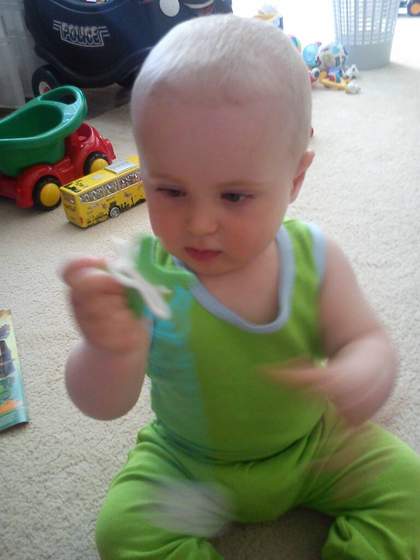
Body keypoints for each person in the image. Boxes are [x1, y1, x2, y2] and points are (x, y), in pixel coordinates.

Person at [62, 14, 420, 560]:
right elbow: (102, 404)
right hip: (190, 466)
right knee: (122, 531)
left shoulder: (314, 258)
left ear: (294, 179)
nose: (200, 223)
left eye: (234, 196)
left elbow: (367, 339)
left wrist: (360, 374)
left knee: (411, 490)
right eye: (170, 190)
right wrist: (107, 348)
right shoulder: (144, 282)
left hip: (315, 448)